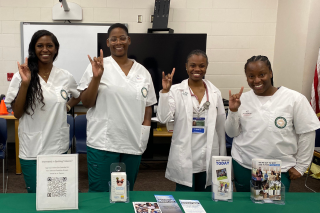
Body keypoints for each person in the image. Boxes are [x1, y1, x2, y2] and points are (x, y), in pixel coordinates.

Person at [78, 23, 157, 192]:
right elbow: (86, 103)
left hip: (132, 142)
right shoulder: (98, 66)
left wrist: (143, 136)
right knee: (100, 194)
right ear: (108, 43)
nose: (118, 42)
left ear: (128, 40)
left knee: (124, 193)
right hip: (103, 143)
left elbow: (148, 107)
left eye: (122, 38)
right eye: (113, 39)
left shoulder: (142, 72)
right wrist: (96, 78)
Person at [225, 55, 320, 192]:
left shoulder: (294, 99)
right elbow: (232, 133)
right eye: (251, 76)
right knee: (245, 207)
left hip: (275, 168)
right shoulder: (243, 99)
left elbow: (307, 133)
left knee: (269, 208)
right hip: (243, 163)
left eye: (262, 74)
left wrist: (301, 166)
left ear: (270, 73)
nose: (257, 80)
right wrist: (233, 111)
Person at [5, 30, 80, 193]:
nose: (45, 49)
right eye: (40, 46)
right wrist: (25, 83)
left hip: (57, 148)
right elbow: (17, 113)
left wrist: (66, 107)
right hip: (32, 148)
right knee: (36, 195)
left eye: (49, 46)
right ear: (33, 48)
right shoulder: (22, 75)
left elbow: (77, 96)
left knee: (57, 193)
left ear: (56, 49)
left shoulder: (65, 76)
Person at [157, 49, 226, 191]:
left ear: (206, 67)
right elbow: (163, 118)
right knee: (185, 200)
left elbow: (220, 128)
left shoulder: (215, 92)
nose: (197, 69)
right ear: (186, 66)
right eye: (193, 65)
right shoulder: (175, 90)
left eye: (202, 66)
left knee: (206, 201)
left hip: (208, 155)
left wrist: (222, 159)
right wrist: (164, 92)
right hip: (185, 157)